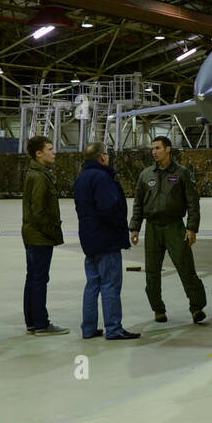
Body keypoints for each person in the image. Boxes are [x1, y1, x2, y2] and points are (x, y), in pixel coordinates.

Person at [130, 135, 207, 325]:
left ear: (168, 149)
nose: (154, 152)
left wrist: (192, 228)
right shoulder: (146, 175)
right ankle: (158, 310)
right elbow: (138, 203)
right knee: (152, 273)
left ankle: (197, 308)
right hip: (153, 228)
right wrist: (134, 227)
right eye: (153, 148)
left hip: (174, 226)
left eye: (157, 148)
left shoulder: (182, 173)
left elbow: (192, 202)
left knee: (186, 268)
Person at [73, 142, 137, 340]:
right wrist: (120, 227)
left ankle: (89, 328)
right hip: (106, 238)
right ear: (102, 157)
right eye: (107, 154)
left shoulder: (81, 178)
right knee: (110, 284)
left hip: (89, 239)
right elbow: (108, 207)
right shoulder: (102, 177)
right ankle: (114, 328)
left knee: (92, 284)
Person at [21, 135, 68, 336]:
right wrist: (52, 233)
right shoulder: (40, 176)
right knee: (39, 279)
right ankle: (41, 323)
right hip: (39, 235)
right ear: (39, 153)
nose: (54, 152)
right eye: (50, 148)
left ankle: (33, 322)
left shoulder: (36, 173)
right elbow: (39, 211)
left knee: (33, 278)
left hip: (33, 234)